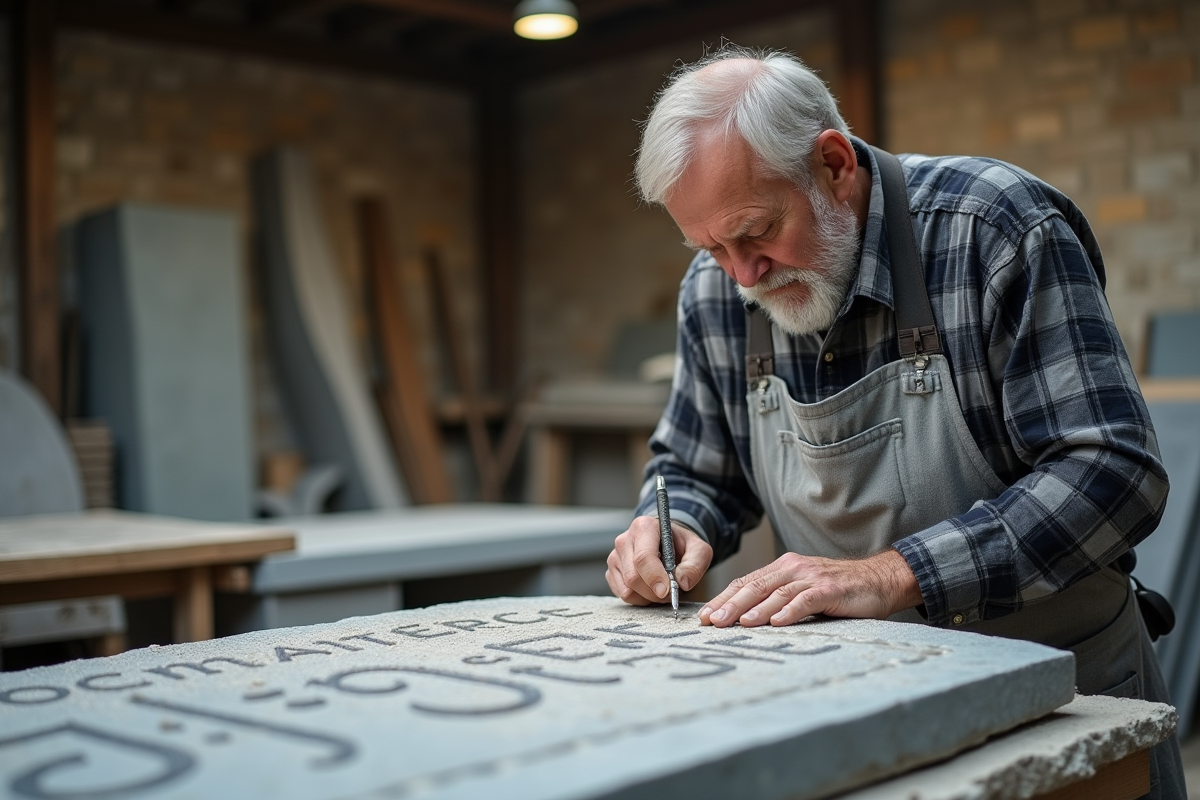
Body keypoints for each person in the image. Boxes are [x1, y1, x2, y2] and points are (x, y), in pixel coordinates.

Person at [605, 45, 1184, 798]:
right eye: (711, 247)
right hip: (854, 704)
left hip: (1060, 693)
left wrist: (893, 574)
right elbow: (694, 469)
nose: (744, 274)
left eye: (756, 231)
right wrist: (673, 523)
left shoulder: (995, 229)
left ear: (835, 164)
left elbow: (1113, 471)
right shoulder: (716, 293)